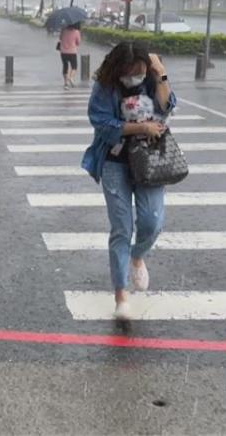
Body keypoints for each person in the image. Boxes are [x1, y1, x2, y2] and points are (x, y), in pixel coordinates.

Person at [81, 42, 175, 321]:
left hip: (150, 160)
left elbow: (166, 107)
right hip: (115, 162)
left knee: (152, 222)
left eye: (141, 70)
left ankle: (137, 256)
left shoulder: (151, 78)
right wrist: (139, 127)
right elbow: (101, 122)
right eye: (130, 71)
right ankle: (120, 294)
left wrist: (161, 75)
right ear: (118, 68)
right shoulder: (105, 87)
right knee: (122, 228)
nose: (135, 76)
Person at [59, 23, 81, 90]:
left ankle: (66, 84)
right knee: (74, 66)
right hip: (72, 51)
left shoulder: (63, 30)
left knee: (65, 66)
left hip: (63, 52)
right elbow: (78, 42)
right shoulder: (77, 32)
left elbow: (60, 38)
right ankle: (71, 77)